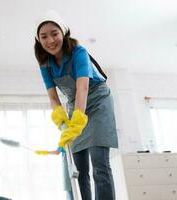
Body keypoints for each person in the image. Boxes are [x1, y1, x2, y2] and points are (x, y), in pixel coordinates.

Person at [34, 10, 118, 200]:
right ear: (38, 40)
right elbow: (54, 98)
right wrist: (62, 120)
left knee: (99, 162)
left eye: (54, 33)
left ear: (63, 33)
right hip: (75, 104)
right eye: (44, 36)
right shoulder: (45, 64)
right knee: (77, 167)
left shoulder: (78, 52)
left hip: (96, 100)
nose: (50, 40)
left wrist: (77, 121)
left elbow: (83, 88)